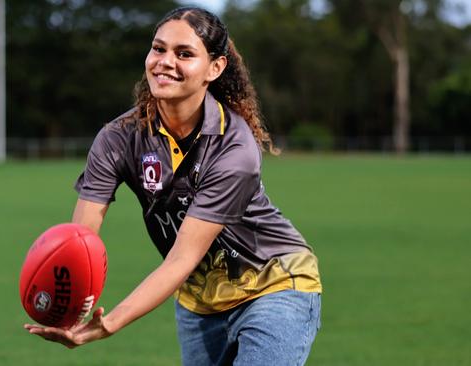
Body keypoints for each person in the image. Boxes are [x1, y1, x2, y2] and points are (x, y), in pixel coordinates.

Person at [24, 6, 322, 365]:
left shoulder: (235, 147)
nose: (165, 61)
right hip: (198, 301)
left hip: (273, 285)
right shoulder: (117, 138)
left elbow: (181, 259)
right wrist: (68, 306)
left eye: (184, 54)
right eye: (158, 48)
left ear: (215, 68)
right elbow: (80, 240)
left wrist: (109, 324)